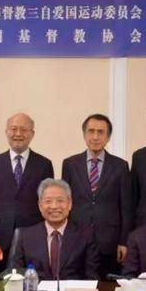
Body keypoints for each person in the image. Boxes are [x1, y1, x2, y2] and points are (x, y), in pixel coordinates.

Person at [61, 114, 131, 276]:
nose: (95, 136)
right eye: (91, 131)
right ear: (84, 134)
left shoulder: (120, 166)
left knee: (108, 289)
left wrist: (123, 241)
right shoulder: (70, 164)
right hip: (77, 238)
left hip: (109, 242)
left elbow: (126, 207)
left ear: (108, 137)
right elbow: (65, 202)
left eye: (101, 132)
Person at [0, 113, 54, 262]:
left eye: (24, 130)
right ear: (6, 132)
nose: (18, 134)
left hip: (33, 236)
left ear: (32, 134)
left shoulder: (44, 164)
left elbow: (47, 203)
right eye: (14, 129)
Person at [10, 178, 99, 280]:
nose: (54, 206)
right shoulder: (24, 236)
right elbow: (14, 275)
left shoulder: (86, 235)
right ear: (40, 205)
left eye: (60, 201)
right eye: (48, 201)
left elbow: (92, 277)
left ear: (70, 204)